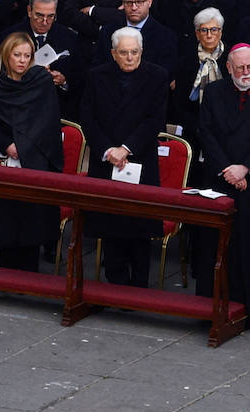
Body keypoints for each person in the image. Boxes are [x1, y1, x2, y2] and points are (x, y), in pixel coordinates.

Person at [192, 43, 250, 320]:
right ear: (228, 68)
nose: (246, 73)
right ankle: (212, 305)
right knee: (216, 245)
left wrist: (245, 169)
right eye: (240, 68)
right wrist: (228, 170)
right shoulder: (214, 92)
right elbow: (206, 133)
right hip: (221, 181)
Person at [80, 26, 168, 287]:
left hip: (140, 159)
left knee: (139, 227)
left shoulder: (157, 76)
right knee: (111, 225)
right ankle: (115, 284)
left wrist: (126, 148)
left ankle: (139, 286)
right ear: (113, 53)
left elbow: (156, 120)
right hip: (106, 160)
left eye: (134, 52)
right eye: (124, 53)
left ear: (141, 51)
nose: (130, 57)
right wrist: (109, 151)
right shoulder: (96, 77)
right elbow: (87, 117)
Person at [0, 31, 65, 272]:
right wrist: (7, 144)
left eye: (27, 55)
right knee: (3, 213)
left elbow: (46, 120)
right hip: (1, 152)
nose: (23, 60)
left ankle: (29, 271)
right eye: (17, 55)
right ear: (6, 55)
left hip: (34, 156)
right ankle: (2, 269)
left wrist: (23, 147)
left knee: (30, 216)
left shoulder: (40, 81)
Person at [12, 0, 83, 119]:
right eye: (39, 15)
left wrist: (64, 81)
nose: (45, 22)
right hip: (19, 111)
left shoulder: (70, 38)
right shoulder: (11, 37)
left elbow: (80, 77)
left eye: (50, 16)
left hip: (57, 112)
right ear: (29, 11)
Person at [170, 7, 227, 138]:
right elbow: (180, 102)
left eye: (214, 30)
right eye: (204, 30)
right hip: (194, 127)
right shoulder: (186, 61)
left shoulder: (231, 58)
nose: (209, 35)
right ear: (197, 34)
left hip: (227, 126)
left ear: (221, 32)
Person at [90, 0, 179, 77]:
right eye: (129, 2)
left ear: (149, 2)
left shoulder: (166, 36)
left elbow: (164, 75)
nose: (134, 7)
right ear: (123, 4)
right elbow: (98, 68)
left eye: (139, 2)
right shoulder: (107, 32)